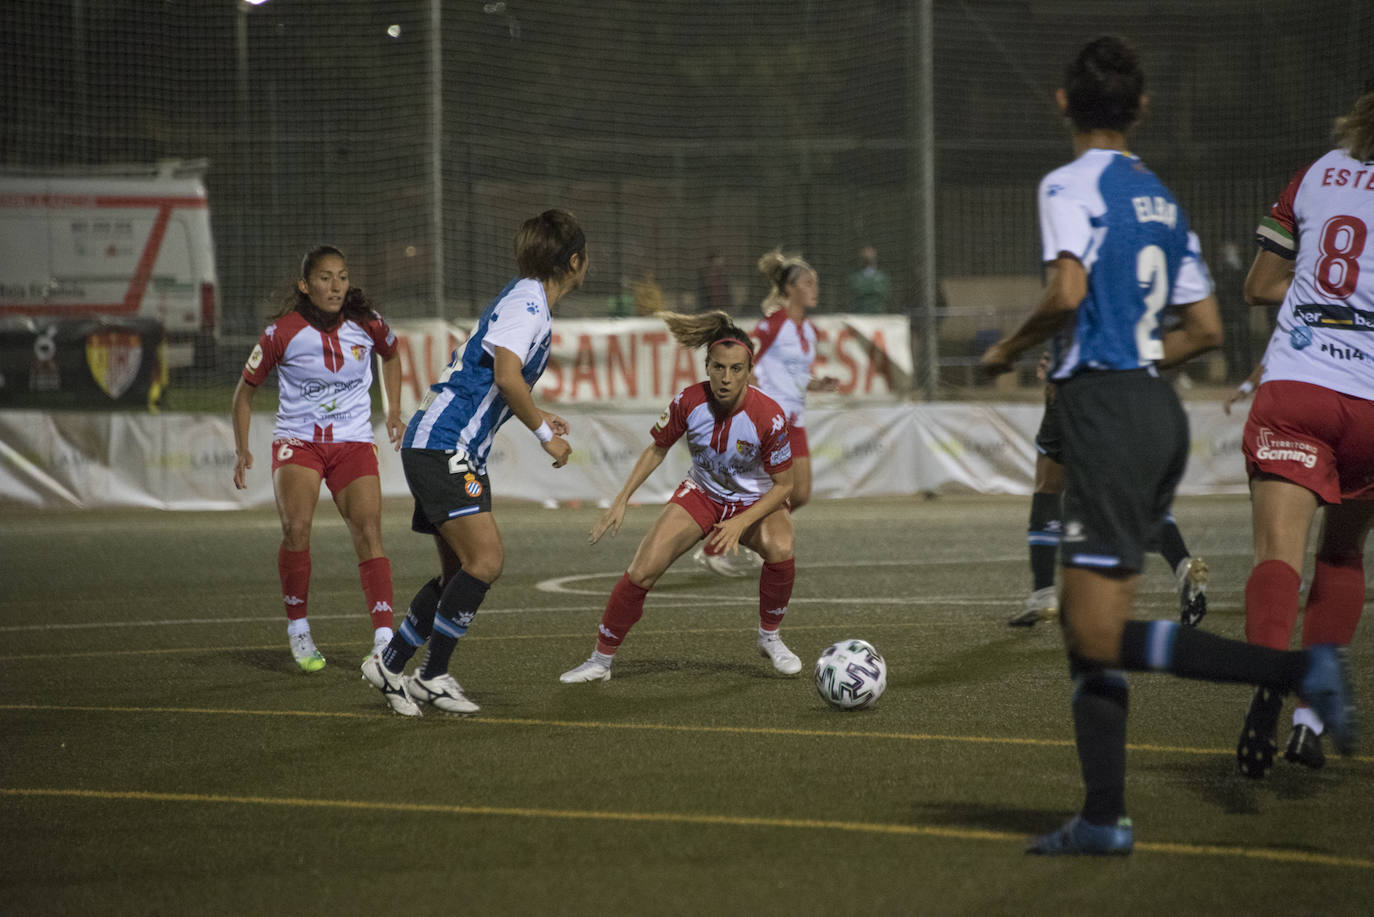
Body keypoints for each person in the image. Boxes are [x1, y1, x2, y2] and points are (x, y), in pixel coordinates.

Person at [980, 36, 1357, 856]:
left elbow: (1067, 289)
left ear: (1062, 104)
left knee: (1096, 633)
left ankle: (1295, 673)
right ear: (1142, 108)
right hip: (1157, 411)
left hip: (1106, 411)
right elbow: (1209, 329)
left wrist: (1007, 349)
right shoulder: (1158, 195)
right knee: (1095, 632)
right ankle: (1104, 816)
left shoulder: (1068, 182)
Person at [361, 209, 583, 716]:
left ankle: (404, 666)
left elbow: (494, 378)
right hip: (445, 444)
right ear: (575, 261)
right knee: (486, 562)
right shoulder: (529, 304)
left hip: (446, 443)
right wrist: (544, 434)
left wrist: (536, 408)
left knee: (461, 570)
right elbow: (507, 376)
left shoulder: (524, 298)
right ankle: (419, 670)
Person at [1233, 88, 1374, 778]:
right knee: (1342, 557)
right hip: (1373, 405)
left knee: (1276, 554)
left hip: (1299, 387)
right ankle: (1310, 721)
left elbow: (1259, 285)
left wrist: (1322, 293)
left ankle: (1268, 677)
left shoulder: (1317, 173)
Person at [559, 309, 802, 683]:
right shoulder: (688, 402)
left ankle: (770, 637)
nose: (726, 377)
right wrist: (621, 498)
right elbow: (657, 448)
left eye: (736, 369)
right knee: (642, 570)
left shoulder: (769, 417)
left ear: (750, 371)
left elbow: (785, 486)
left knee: (781, 548)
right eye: (718, 367)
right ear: (707, 366)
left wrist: (741, 522)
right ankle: (599, 661)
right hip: (702, 493)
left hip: (753, 500)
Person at [231, 245, 402, 673]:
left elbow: (393, 355)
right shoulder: (281, 333)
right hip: (299, 442)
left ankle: (384, 639)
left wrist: (394, 410)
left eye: (342, 276)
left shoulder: (368, 324)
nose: (336, 286)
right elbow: (243, 393)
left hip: (353, 442)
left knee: (368, 529)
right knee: (297, 528)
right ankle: (299, 629)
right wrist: (242, 448)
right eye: (325, 278)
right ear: (305, 286)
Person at [1009, 351, 1209, 628]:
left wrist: (1056, 361)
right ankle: (1182, 565)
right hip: (1140, 388)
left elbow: (1069, 311)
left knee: (1049, 485)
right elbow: (1200, 336)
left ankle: (1043, 594)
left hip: (1083, 384)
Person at [693, 249, 835, 576]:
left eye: (815, 282)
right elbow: (745, 357)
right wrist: (748, 400)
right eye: (808, 283)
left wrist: (817, 383)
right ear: (789, 290)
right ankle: (720, 544)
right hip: (771, 421)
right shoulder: (774, 324)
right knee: (775, 490)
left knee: (799, 493)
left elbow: (793, 375)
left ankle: (754, 535)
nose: (815, 288)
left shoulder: (807, 331)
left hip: (794, 420)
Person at [847, 245, 892, 313]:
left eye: (871, 255)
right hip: (860, 313)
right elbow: (856, 292)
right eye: (866, 256)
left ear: (875, 258)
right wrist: (873, 289)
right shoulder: (855, 277)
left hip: (878, 313)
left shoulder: (882, 276)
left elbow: (885, 294)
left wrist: (865, 289)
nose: (868, 257)